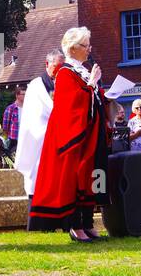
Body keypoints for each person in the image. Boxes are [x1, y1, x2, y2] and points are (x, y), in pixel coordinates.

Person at [29, 26, 110, 241]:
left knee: (93, 178)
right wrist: (91, 85)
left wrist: (101, 93)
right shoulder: (65, 73)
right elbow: (70, 105)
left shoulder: (82, 71)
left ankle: (89, 223)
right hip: (75, 138)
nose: (89, 50)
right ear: (73, 48)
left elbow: (92, 97)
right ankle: (76, 226)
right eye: (85, 46)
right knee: (77, 180)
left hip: (92, 134)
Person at [14, 50, 63, 198]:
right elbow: (33, 118)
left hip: (60, 143)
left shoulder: (65, 82)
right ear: (47, 64)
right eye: (56, 66)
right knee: (37, 187)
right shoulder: (36, 86)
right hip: (40, 142)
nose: (59, 70)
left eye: (63, 66)